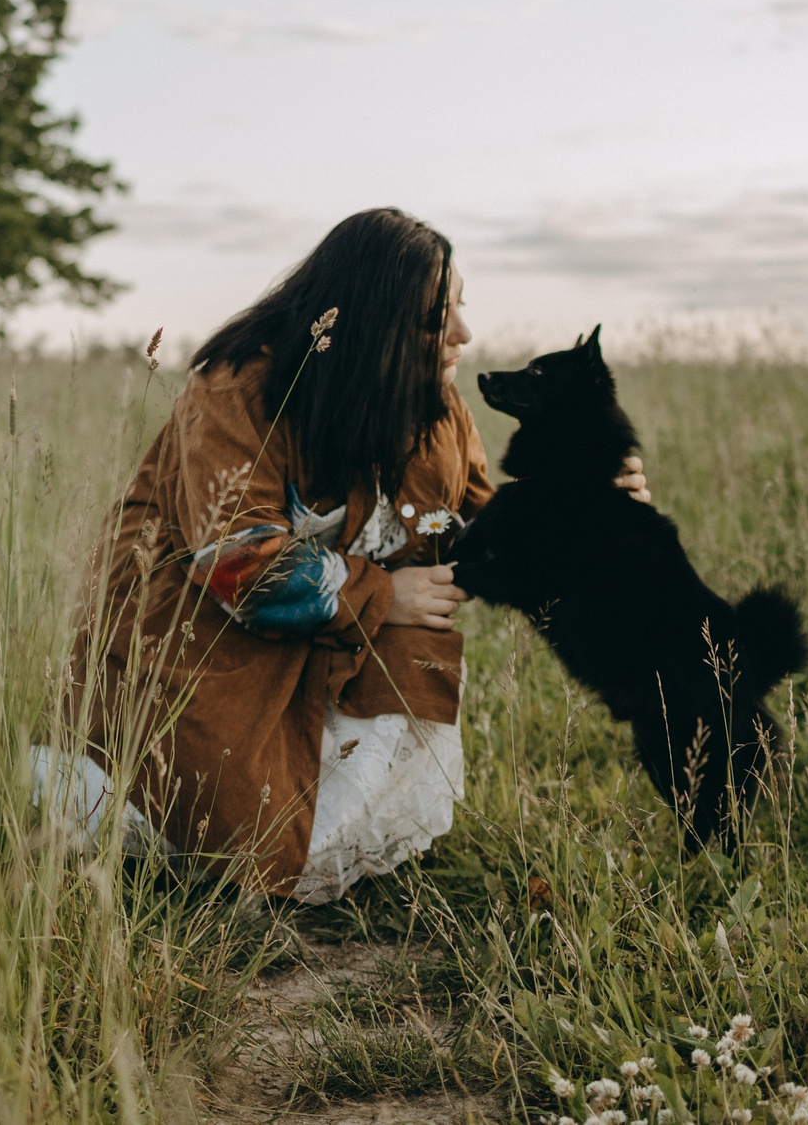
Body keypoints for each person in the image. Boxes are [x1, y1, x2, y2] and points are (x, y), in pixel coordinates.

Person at [57, 207, 646, 903]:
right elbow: (237, 560)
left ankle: (303, 832)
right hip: (199, 648)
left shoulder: (435, 404)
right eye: (438, 319)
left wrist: (589, 508)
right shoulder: (238, 387)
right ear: (374, 324)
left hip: (330, 644)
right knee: (230, 818)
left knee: (407, 658)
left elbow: (480, 523)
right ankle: (132, 811)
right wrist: (384, 596)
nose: (464, 335)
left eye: (460, 309)